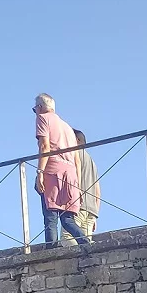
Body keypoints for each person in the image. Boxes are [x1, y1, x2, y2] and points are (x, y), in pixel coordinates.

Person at [33, 93, 91, 250]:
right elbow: (77, 160)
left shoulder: (43, 118)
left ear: (40, 107)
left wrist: (40, 172)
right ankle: (85, 243)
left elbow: (45, 146)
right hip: (71, 173)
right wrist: (77, 185)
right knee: (67, 219)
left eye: (34, 109)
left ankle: (51, 251)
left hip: (53, 170)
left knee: (50, 216)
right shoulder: (67, 127)